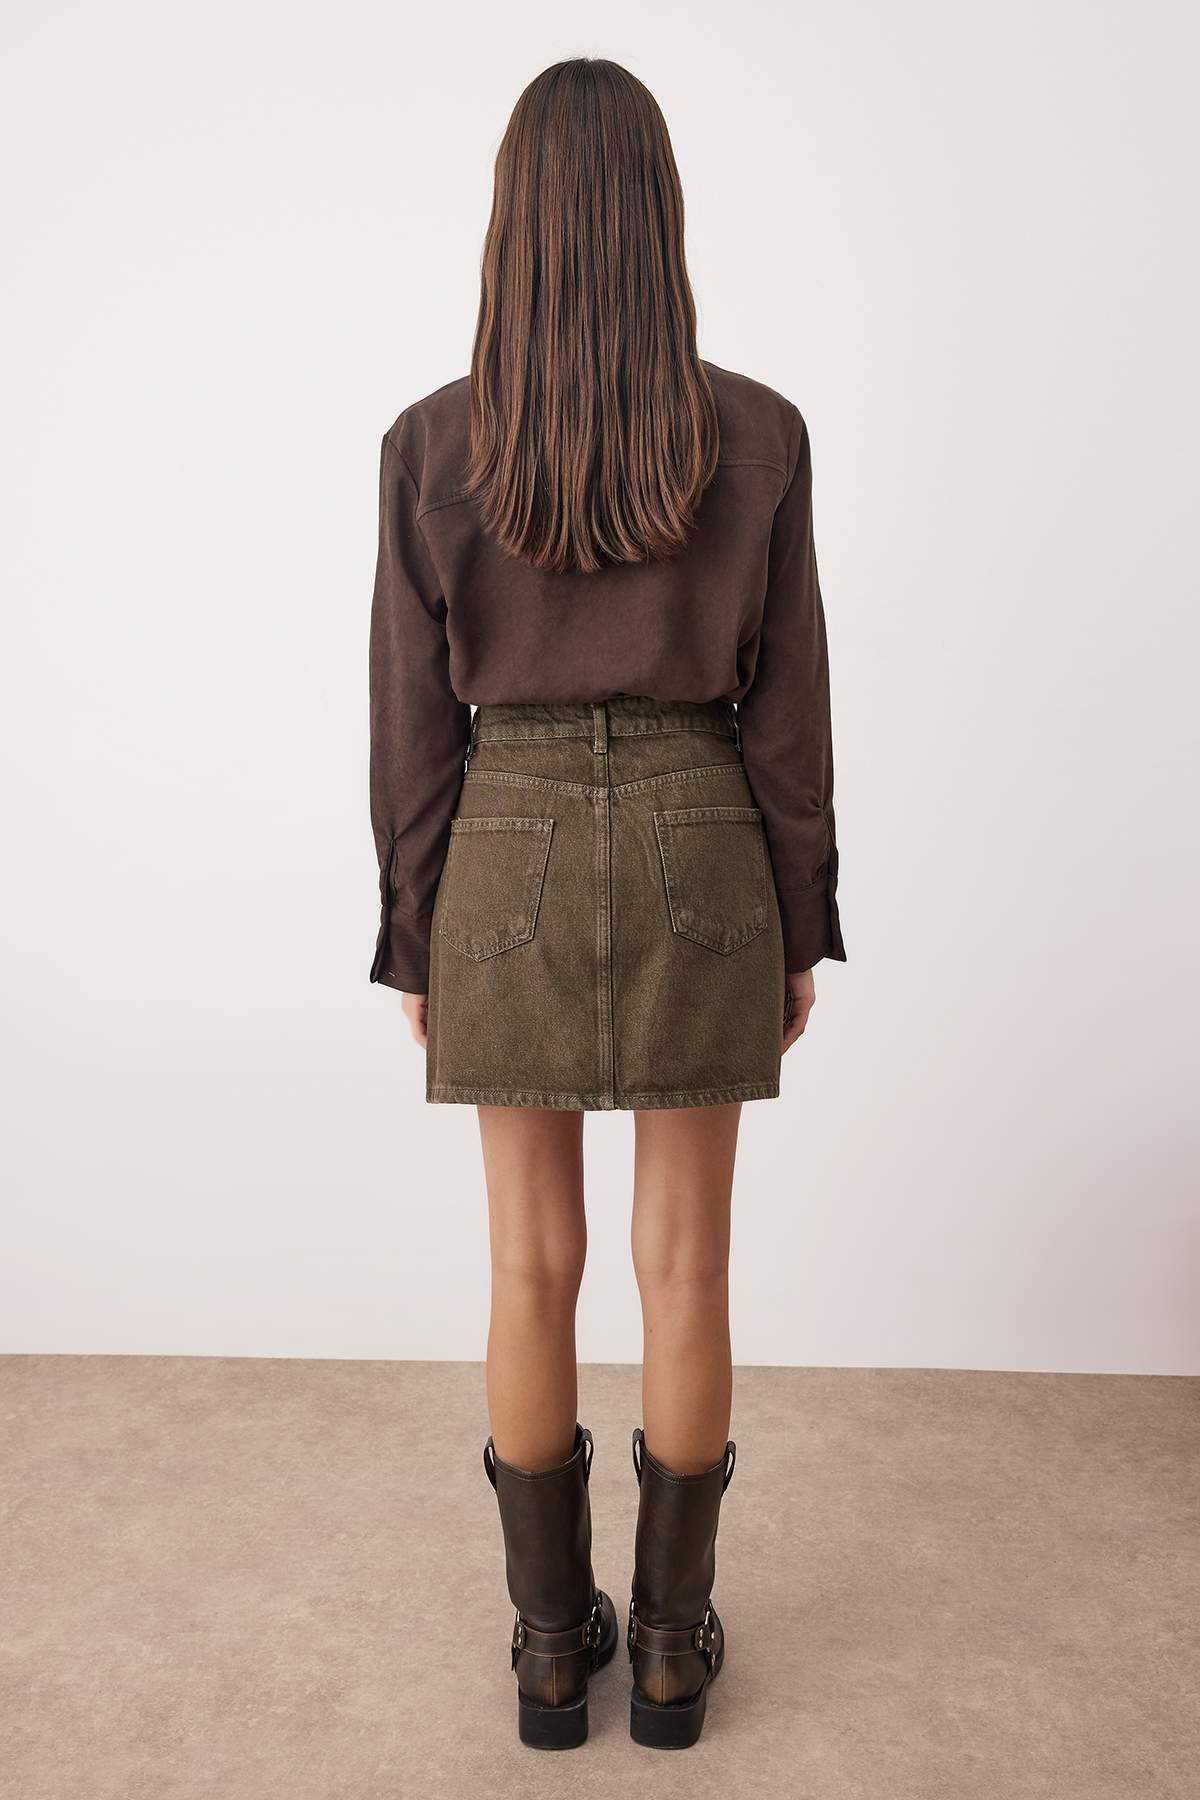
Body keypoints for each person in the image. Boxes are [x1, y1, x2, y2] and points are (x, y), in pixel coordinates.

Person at [367, 57, 846, 1751]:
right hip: (700, 832)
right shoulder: (759, 435)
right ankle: (667, 1652)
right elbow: (791, 713)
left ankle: (549, 1652)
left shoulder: (434, 444)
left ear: (515, 226)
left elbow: (410, 721)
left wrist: (415, 927)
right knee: (685, 1262)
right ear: (659, 217)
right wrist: (800, 915)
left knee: (529, 1260)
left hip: (502, 841)